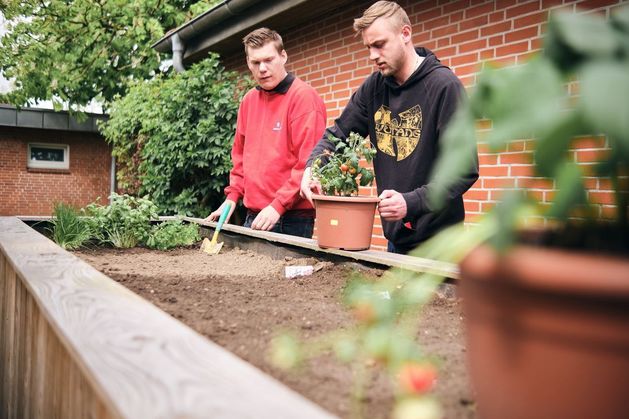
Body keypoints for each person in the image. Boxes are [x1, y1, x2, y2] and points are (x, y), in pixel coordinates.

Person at [300, 1, 478, 254]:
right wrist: (313, 168)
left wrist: (411, 202)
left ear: (405, 34)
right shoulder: (374, 88)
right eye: (368, 47)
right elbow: (337, 135)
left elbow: (464, 169)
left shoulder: (443, 86)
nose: (373, 55)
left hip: (441, 244)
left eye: (379, 45)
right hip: (397, 239)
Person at [207, 28, 327, 238]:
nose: (262, 68)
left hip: (291, 219)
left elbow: (308, 162)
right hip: (252, 216)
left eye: (269, 60)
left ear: (283, 56)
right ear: (248, 63)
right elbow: (240, 157)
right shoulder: (248, 101)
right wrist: (232, 197)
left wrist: (278, 205)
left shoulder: (304, 98)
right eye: (255, 62)